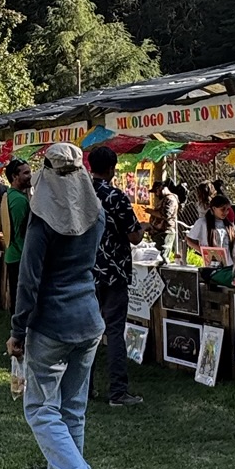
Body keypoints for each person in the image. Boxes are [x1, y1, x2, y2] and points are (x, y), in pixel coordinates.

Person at [7, 143, 112, 469]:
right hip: (89, 321)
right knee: (73, 411)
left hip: (51, 325)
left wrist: (18, 330)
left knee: (40, 409)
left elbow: (28, 280)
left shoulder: (42, 222)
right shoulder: (96, 215)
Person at [86, 144, 146, 408]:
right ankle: (118, 392)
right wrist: (142, 228)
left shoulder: (81, 194)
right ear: (111, 169)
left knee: (87, 332)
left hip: (87, 270)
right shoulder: (115, 196)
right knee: (114, 331)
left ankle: (84, 388)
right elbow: (134, 236)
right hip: (114, 272)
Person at [0, 156, 31, 310]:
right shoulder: (19, 200)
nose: (30, 176)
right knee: (22, 302)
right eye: (25, 173)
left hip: (13, 255)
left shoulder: (9, 195)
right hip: (20, 255)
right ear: (14, 176)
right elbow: (21, 232)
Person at [187, 188, 235, 266]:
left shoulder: (230, 224)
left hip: (230, 264)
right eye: (222, 209)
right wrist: (203, 251)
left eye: (228, 209)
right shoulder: (202, 222)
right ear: (214, 208)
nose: (226, 212)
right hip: (213, 264)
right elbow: (189, 240)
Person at [149, 176, 181, 261]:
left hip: (165, 232)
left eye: (156, 191)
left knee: (161, 258)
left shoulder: (170, 199)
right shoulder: (164, 199)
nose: (156, 194)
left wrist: (151, 212)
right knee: (156, 258)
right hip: (159, 233)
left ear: (161, 188)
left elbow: (166, 215)